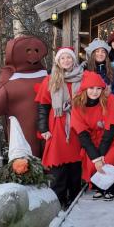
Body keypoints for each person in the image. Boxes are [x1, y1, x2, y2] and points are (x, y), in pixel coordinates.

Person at [35, 47, 84, 208]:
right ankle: (59, 197)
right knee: (58, 163)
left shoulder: (82, 77)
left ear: (73, 60)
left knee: (76, 163)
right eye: (62, 58)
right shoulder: (50, 80)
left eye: (68, 58)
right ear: (58, 61)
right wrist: (43, 129)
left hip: (76, 123)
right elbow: (43, 106)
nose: (66, 61)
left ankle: (75, 195)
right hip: (57, 124)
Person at [71, 72, 114, 201]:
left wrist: (101, 155)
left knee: (109, 159)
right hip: (91, 137)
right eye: (91, 88)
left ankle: (111, 187)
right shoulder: (78, 104)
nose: (95, 92)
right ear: (85, 89)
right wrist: (96, 158)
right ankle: (99, 186)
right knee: (91, 162)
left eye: (98, 88)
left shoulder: (110, 99)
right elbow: (82, 134)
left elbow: (111, 129)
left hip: (109, 137)